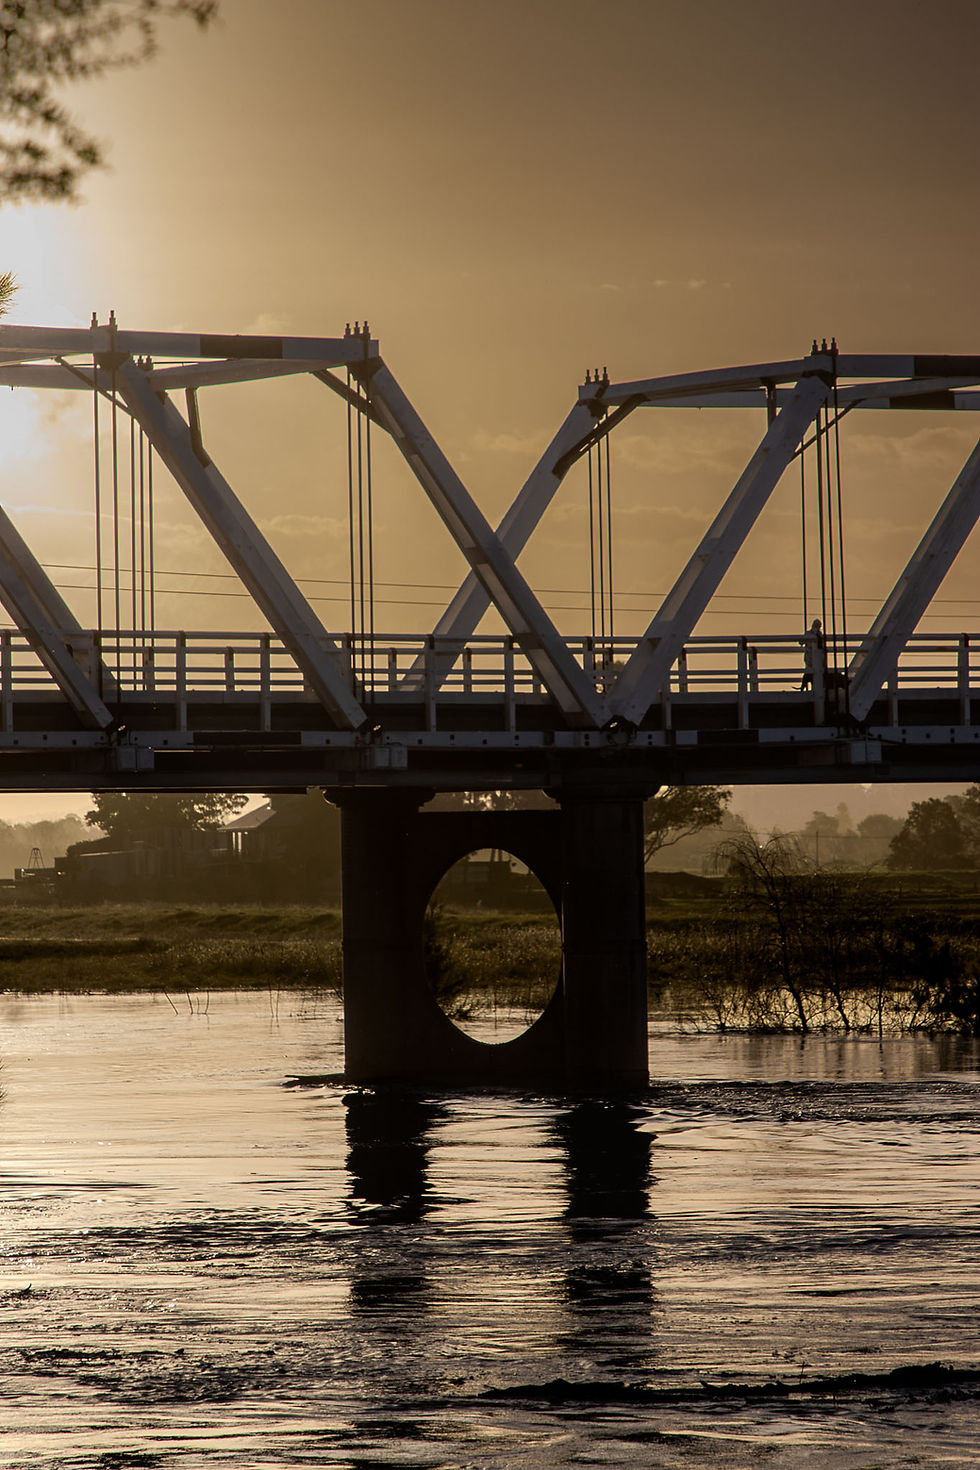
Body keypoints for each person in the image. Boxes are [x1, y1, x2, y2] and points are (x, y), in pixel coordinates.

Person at [799, 618, 825, 692]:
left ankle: (815, 689)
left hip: (818, 657)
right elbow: (801, 642)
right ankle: (806, 688)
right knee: (809, 673)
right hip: (810, 657)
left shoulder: (820, 634)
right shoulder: (809, 633)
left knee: (816, 674)